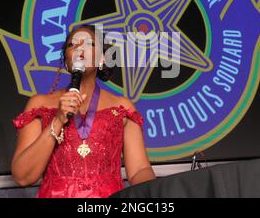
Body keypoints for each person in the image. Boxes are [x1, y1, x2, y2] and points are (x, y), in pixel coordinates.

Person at [11, 24, 155, 198]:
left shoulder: (123, 107)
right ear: (66, 61)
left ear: (102, 58)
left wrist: (157, 194)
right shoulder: (40, 104)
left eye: (88, 43)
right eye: (72, 45)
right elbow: (22, 177)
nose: (80, 48)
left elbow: (139, 170)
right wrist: (57, 121)